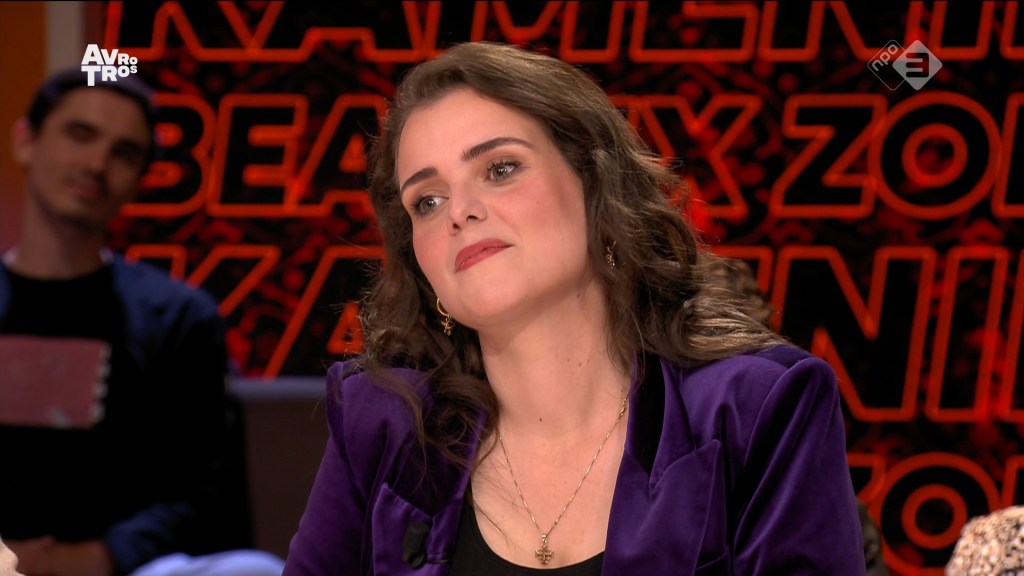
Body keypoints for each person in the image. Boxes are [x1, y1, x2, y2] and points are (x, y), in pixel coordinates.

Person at [283, 41, 864, 574]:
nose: (459, 211)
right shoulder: (382, 425)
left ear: (594, 185)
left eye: (500, 169)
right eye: (427, 201)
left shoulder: (756, 409)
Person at [0, 69, 284, 576]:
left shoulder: (179, 317)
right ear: (26, 141)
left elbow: (203, 494)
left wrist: (92, 559)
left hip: (123, 569)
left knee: (252, 570)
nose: (96, 164)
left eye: (124, 153)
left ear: (139, 179)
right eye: (80, 135)